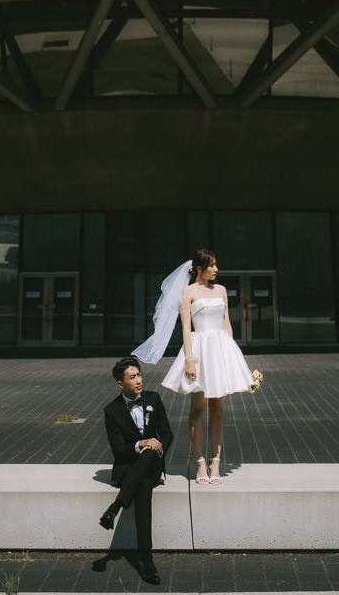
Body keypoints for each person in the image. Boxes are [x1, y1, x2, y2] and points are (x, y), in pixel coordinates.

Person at [133, 249, 253, 485]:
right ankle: (200, 462)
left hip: (221, 350)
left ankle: (215, 462)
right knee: (198, 409)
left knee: (218, 409)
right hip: (199, 350)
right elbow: (186, 328)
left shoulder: (220, 290)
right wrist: (189, 359)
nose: (216, 269)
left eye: (217, 265)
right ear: (200, 268)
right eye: (212, 265)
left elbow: (227, 323)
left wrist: (233, 357)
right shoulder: (187, 292)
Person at [99, 355, 173, 585]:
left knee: (151, 449)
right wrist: (140, 444)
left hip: (152, 464)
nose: (139, 380)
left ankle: (116, 506)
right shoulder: (112, 410)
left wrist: (155, 447)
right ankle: (146, 559)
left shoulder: (153, 398)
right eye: (132, 377)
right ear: (121, 384)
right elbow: (119, 451)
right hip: (129, 469)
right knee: (142, 486)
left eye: (139, 374)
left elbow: (167, 434)